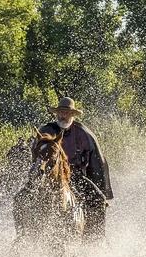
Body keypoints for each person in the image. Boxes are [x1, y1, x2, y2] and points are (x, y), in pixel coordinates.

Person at [37, 97, 113, 241]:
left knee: (97, 200)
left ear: (72, 114)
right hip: (48, 173)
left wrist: (101, 187)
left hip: (75, 175)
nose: (62, 115)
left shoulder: (84, 134)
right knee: (24, 197)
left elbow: (97, 161)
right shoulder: (46, 130)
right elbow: (37, 152)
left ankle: (96, 238)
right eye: (60, 112)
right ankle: (25, 236)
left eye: (66, 112)